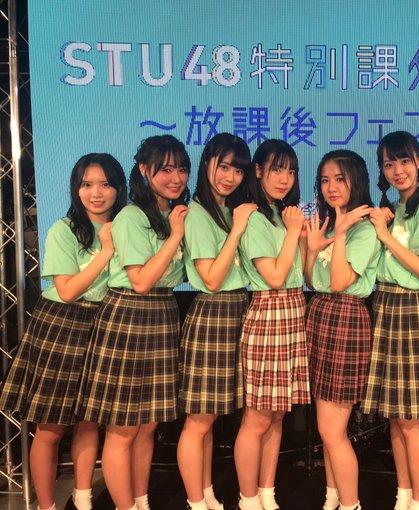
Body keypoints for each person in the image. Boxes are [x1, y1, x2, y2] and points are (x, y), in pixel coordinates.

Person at [0, 154, 126, 510]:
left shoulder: (126, 227)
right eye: (87, 184)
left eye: (105, 184)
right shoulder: (64, 229)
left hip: (103, 324)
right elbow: (68, 290)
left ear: (119, 188)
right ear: (76, 188)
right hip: (62, 324)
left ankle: (82, 498)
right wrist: (106, 252)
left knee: (90, 420)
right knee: (51, 427)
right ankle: (46, 505)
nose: (96, 193)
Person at [76, 135, 190, 510]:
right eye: (166, 169)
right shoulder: (131, 216)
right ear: (144, 169)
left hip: (162, 314)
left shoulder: (171, 213)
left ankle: (141, 501)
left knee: (148, 424)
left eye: (182, 169)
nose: (176, 177)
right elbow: (140, 281)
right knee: (123, 426)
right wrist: (175, 236)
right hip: (129, 314)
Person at [361, 131, 419, 510]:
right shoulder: (395, 207)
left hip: (410, 310)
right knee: (396, 417)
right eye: (388, 164)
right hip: (384, 306)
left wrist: (384, 235)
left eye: (404, 161)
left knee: (412, 419)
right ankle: (403, 495)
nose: (397, 170)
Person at [177, 133, 258, 510]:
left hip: (238, 309)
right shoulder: (196, 212)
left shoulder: (227, 209)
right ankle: (195, 501)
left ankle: (206, 492)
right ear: (206, 162)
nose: (230, 176)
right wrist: (238, 229)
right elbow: (210, 278)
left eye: (238, 170)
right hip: (213, 313)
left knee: (208, 420)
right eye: (223, 166)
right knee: (198, 420)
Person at [233, 139, 310, 510]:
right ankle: (248, 498)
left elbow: (301, 273)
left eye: (290, 171)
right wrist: (294, 232)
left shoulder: (282, 214)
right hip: (269, 312)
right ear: (258, 170)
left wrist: (305, 236)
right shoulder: (255, 217)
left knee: (278, 414)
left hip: (294, 311)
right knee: (258, 417)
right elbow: (275, 277)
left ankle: (267, 493)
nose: (284, 178)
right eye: (277, 169)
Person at [304, 150, 381, 510]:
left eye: (339, 178)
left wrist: (343, 231)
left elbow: (338, 282)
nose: (331, 187)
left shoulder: (363, 228)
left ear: (357, 180)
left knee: (333, 430)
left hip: (346, 317)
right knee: (326, 428)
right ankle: (332, 497)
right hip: (319, 313)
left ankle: (351, 504)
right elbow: (312, 279)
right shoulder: (330, 223)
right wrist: (314, 247)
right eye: (325, 180)